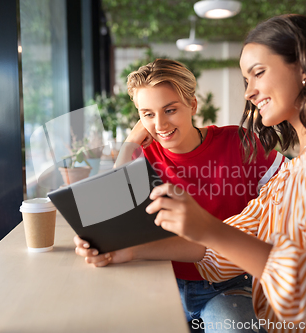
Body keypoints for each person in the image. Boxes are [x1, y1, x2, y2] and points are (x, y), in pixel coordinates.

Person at [147, 15, 306, 333]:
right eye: (246, 80)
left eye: (258, 73)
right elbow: (222, 250)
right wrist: (126, 250)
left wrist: (208, 228)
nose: (248, 93)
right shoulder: (295, 169)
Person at [74, 59, 286, 332]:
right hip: (162, 278)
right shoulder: (143, 159)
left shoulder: (239, 142)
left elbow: (291, 189)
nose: (160, 124)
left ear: (193, 105)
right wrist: (130, 143)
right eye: (147, 114)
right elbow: (111, 217)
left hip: (229, 285)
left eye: (170, 110)